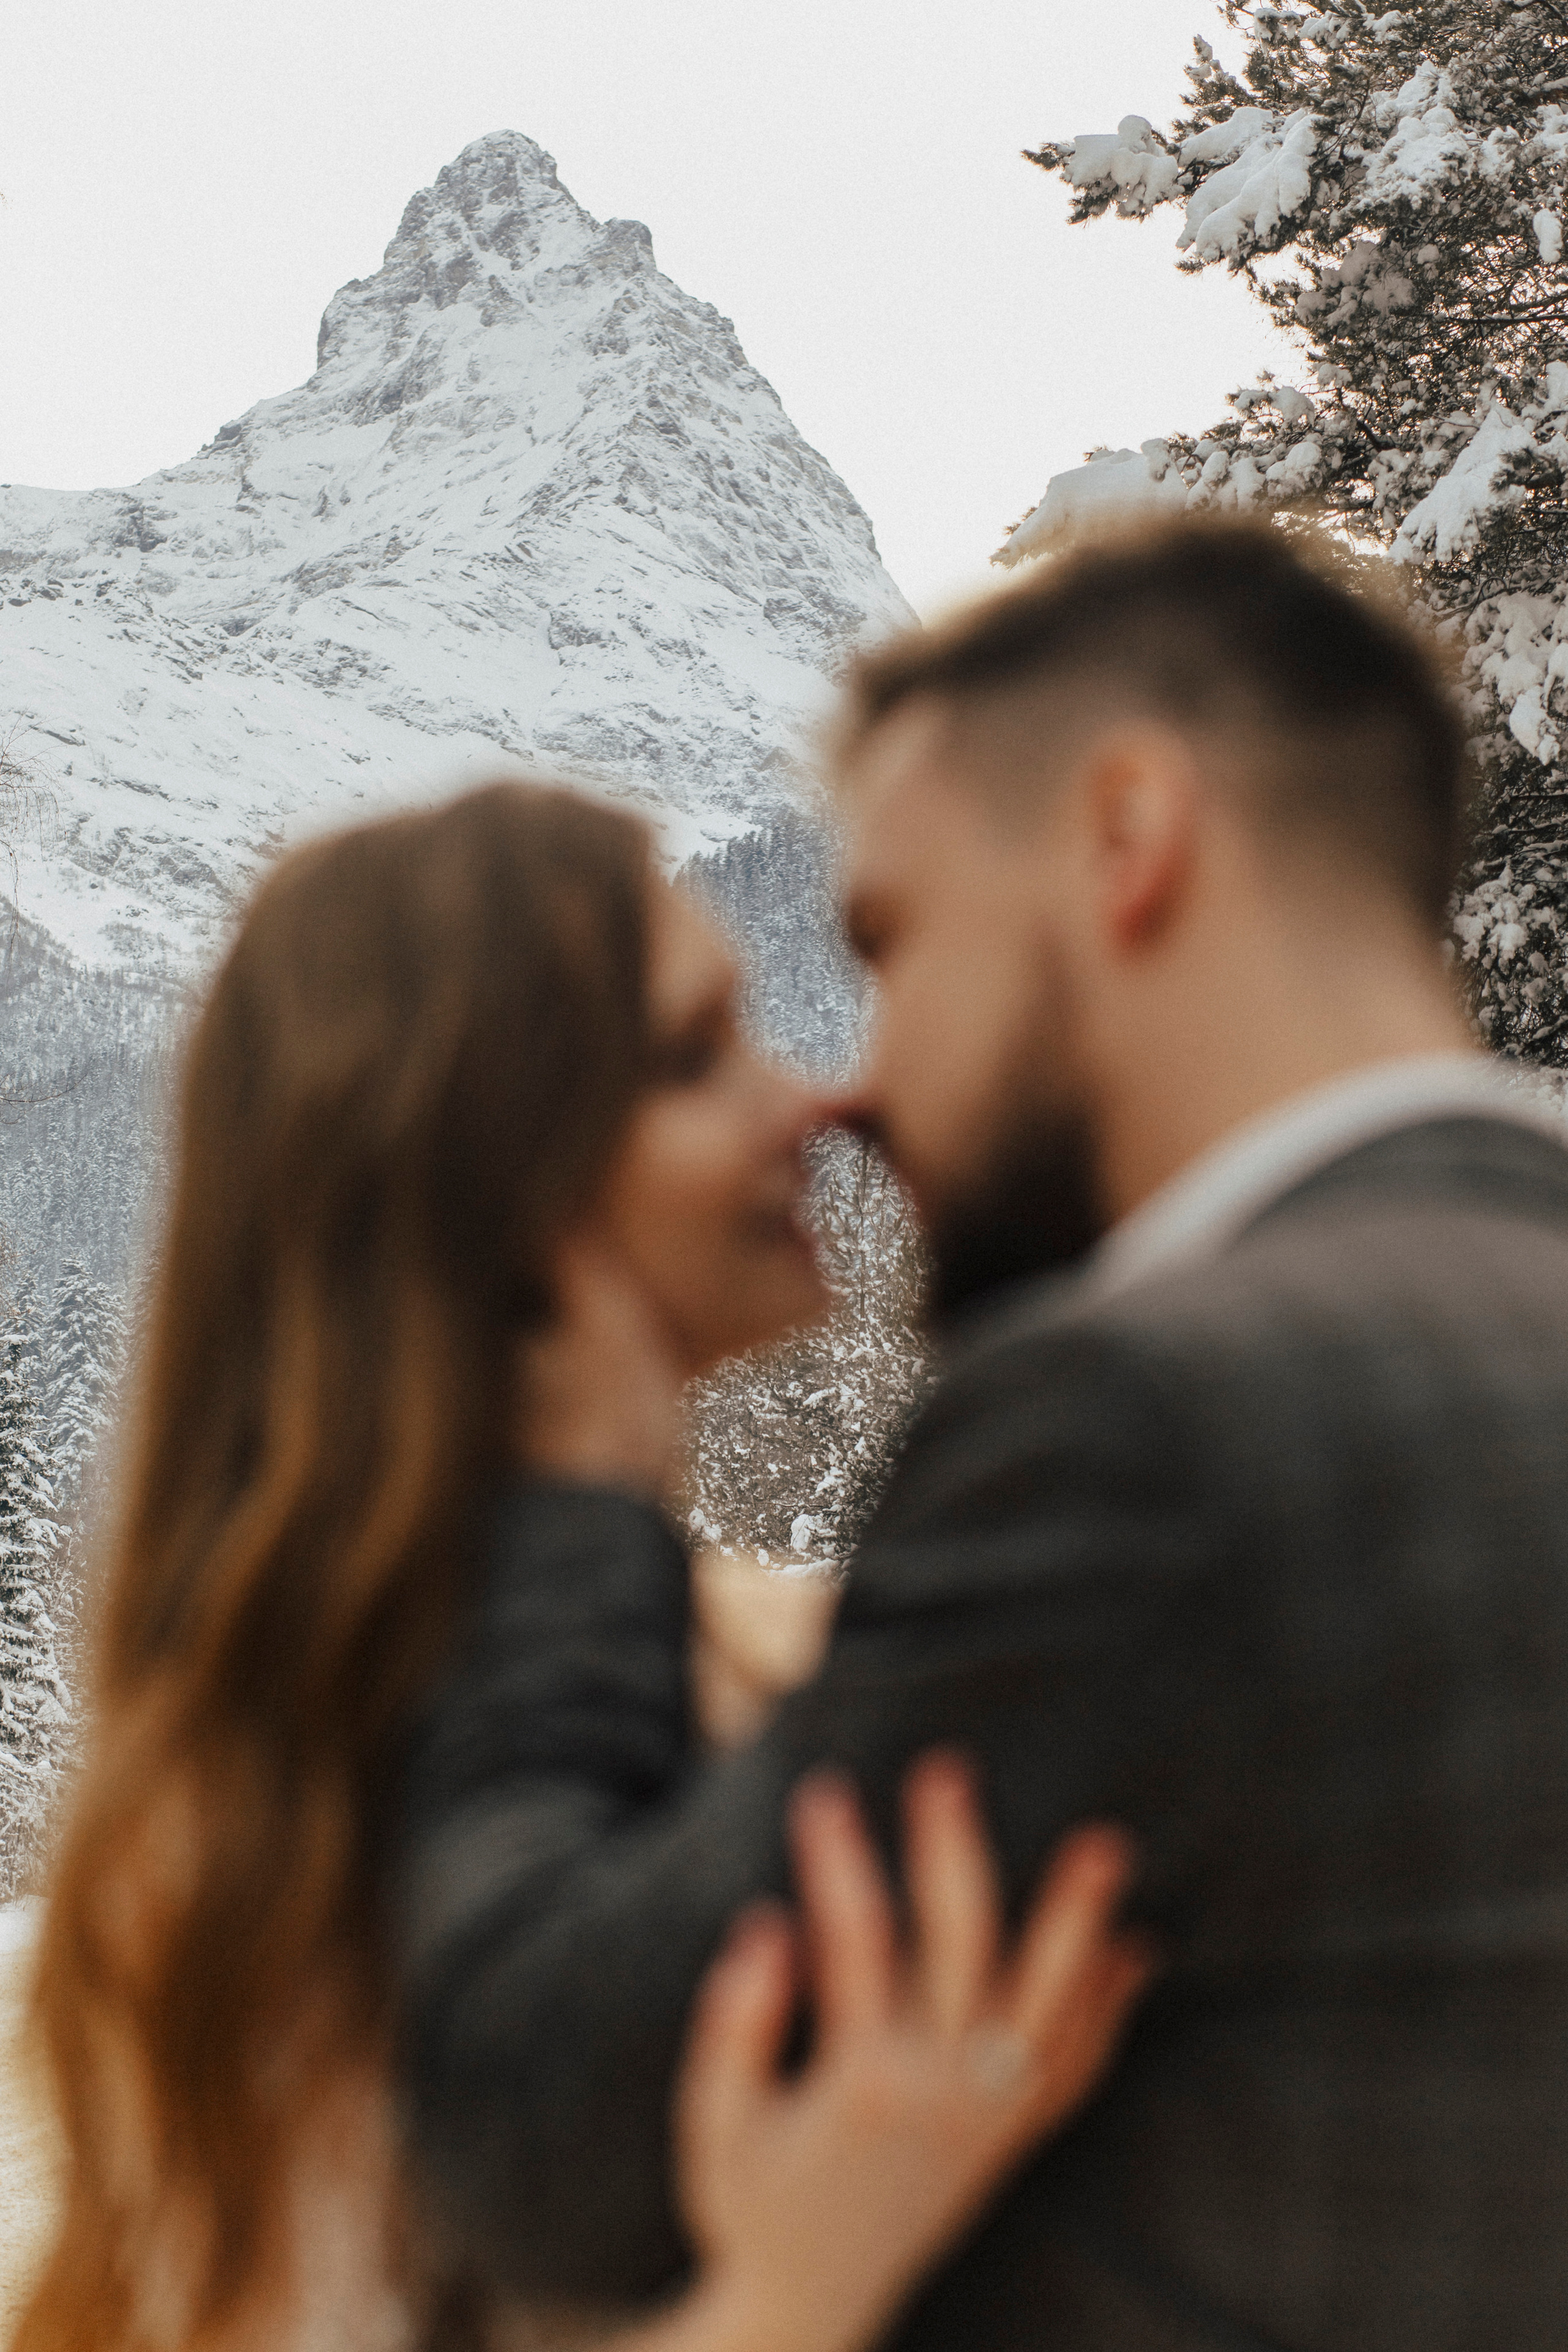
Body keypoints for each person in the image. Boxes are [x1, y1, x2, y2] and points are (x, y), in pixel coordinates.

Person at [391, 516, 1568, 2350]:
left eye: (890, 940)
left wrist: (573, 1480)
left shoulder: (1143, 1428)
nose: (854, 1088)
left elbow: (541, 2113)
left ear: (1125, 837)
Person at [13, 785, 1152, 2352]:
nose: (805, 1104)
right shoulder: (258, 1824)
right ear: (498, 1185)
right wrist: (789, 2300)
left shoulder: (765, 1635)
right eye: (692, 1058)